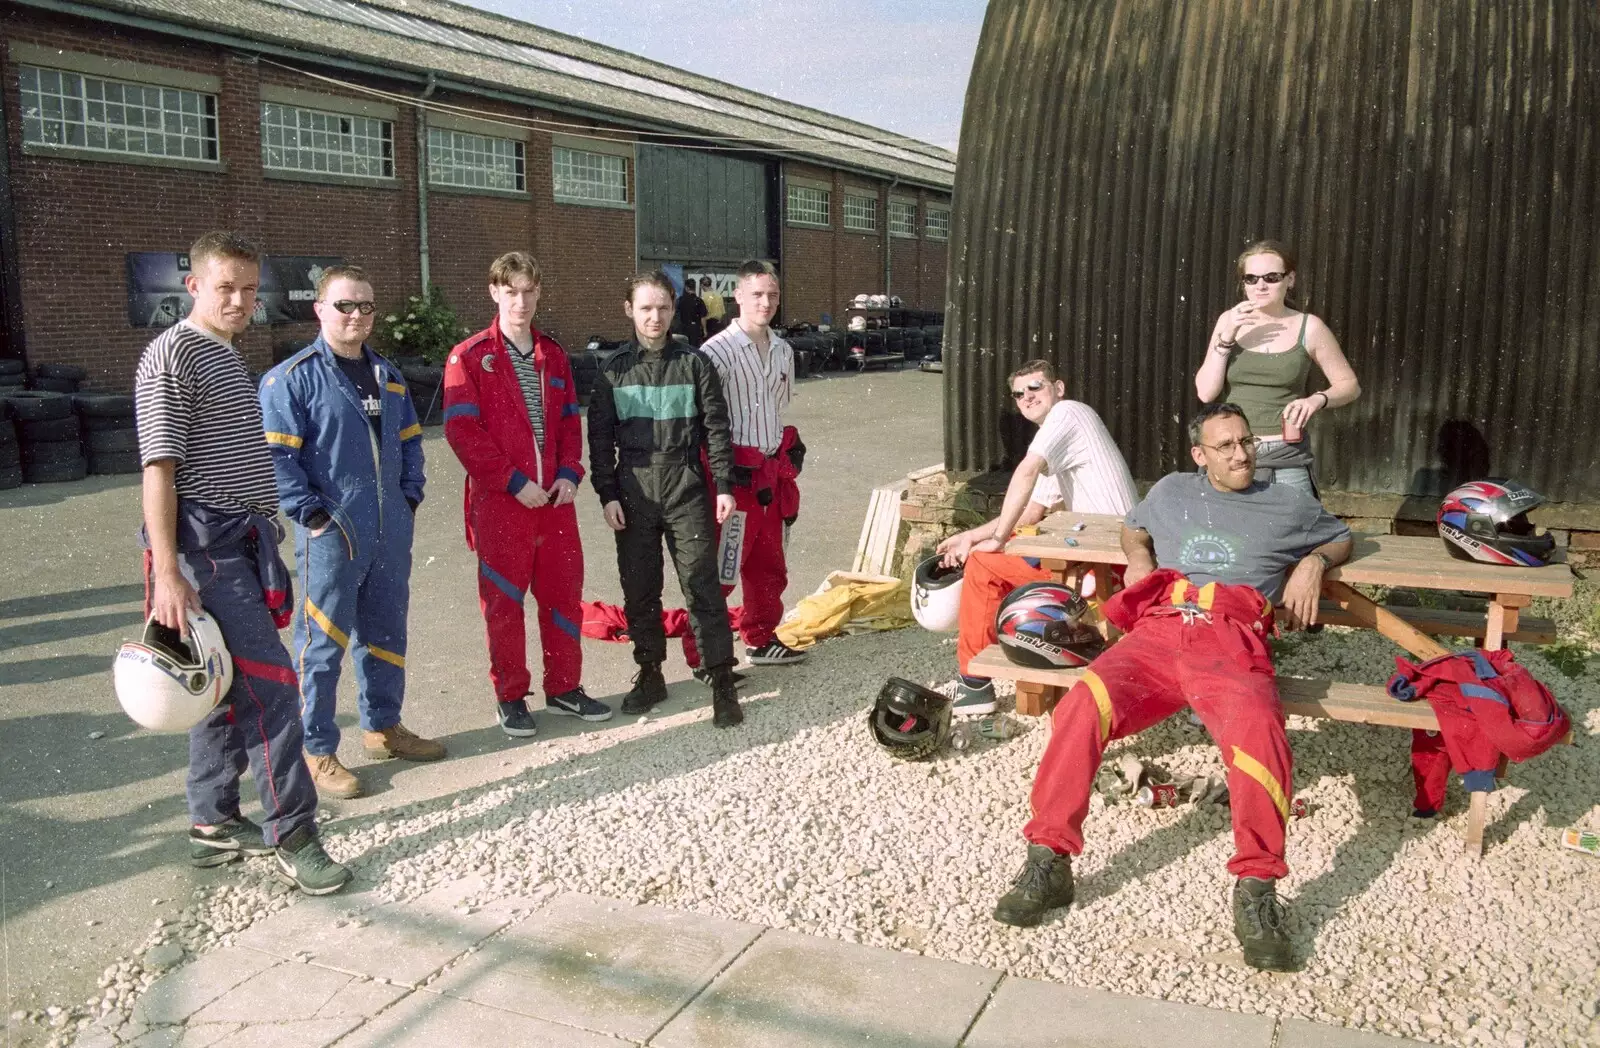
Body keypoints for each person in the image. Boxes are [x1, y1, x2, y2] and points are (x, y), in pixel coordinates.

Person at [992, 403, 1353, 973]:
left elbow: (1341, 537)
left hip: (1230, 636)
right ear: (1199, 455)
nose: (1241, 455)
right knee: (1083, 704)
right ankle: (1049, 860)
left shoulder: (1288, 502)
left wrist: (1312, 563)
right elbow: (1135, 527)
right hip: (1160, 630)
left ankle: (1257, 890)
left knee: (1260, 739)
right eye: (1226, 446)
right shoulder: (1172, 490)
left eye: (1246, 443)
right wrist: (1137, 558)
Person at [134, 231, 349, 894]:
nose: (240, 300)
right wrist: (169, 571)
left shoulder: (224, 353)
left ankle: (213, 824)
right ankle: (295, 836)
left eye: (250, 289)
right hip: (203, 549)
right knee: (273, 690)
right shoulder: (172, 356)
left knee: (222, 686)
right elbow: (158, 470)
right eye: (226, 287)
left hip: (240, 543)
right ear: (192, 286)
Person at [260, 265, 442, 800]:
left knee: (386, 630)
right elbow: (279, 460)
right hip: (332, 536)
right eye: (344, 305)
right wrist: (312, 516)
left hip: (390, 529)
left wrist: (409, 497)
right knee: (321, 644)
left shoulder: (387, 373)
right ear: (320, 310)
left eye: (365, 306)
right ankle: (316, 749)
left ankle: (383, 727)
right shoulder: (291, 378)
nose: (357, 315)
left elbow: (411, 441)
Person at [444, 251, 611, 739]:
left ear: (539, 293)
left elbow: (566, 423)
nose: (521, 300)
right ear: (494, 292)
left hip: (554, 502)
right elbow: (462, 432)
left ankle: (564, 687)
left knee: (563, 596)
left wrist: (569, 474)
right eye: (511, 291)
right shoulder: (469, 356)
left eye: (529, 291)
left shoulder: (552, 354)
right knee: (504, 602)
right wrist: (515, 483)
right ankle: (511, 697)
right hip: (503, 504)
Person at [935, 359, 1138, 714]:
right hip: (1108, 556)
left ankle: (974, 685)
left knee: (985, 564)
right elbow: (1032, 511)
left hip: (1109, 565)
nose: (1027, 397)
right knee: (995, 555)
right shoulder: (1061, 438)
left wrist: (995, 540)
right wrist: (969, 535)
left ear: (1058, 389)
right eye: (1018, 394)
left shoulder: (1068, 414)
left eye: (1035, 387)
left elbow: (1026, 472)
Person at [587, 270, 744, 728]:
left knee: (702, 585)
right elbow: (599, 440)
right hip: (633, 489)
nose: (654, 317)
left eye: (663, 308)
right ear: (629, 311)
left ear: (674, 310)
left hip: (686, 486)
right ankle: (650, 673)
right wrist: (607, 495)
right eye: (645, 308)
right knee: (640, 589)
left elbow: (717, 429)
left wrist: (725, 487)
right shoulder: (613, 369)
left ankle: (721, 680)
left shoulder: (696, 364)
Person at [698, 259, 808, 667]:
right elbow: (705, 420)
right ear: (739, 296)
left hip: (771, 476)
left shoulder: (783, 350)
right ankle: (707, 656)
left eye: (772, 295)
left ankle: (761, 638)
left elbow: (777, 409)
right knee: (725, 565)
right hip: (734, 477)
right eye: (757, 294)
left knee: (769, 564)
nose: (765, 302)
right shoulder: (716, 352)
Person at [1194, 240, 1360, 497]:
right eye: (1251, 278)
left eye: (1271, 277)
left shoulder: (1309, 327)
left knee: (1297, 530)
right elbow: (1206, 392)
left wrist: (1318, 400)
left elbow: (1349, 386)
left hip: (1284, 453)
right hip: (1230, 452)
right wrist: (1226, 337)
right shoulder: (1228, 320)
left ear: (1289, 279)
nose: (1260, 286)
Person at [673, 274, 708, 345]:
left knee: (683, 348)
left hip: (683, 328)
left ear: (686, 288)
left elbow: (674, 313)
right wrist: (704, 330)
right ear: (695, 288)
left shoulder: (680, 300)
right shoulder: (699, 301)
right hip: (695, 329)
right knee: (694, 349)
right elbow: (703, 317)